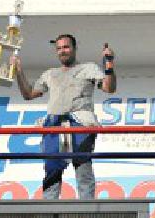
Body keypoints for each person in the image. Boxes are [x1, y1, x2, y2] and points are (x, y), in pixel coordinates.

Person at [12, 34, 117, 199]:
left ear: (74, 48)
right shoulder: (50, 74)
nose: (63, 51)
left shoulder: (88, 68)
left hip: (81, 123)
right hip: (54, 124)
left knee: (83, 169)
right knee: (52, 170)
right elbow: (29, 94)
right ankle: (49, 213)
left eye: (66, 47)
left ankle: (87, 215)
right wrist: (18, 72)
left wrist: (109, 64)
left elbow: (109, 88)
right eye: (59, 48)